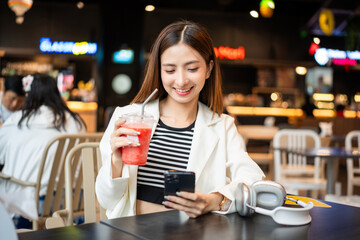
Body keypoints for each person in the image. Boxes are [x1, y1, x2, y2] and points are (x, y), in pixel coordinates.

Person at [95, 20, 264, 219]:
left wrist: (215, 200)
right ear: (159, 70)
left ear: (209, 69)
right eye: (170, 70)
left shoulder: (222, 126)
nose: (181, 80)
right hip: (130, 230)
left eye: (192, 69)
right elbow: (107, 201)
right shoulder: (127, 118)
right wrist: (116, 161)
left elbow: (253, 181)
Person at [0, 73, 86, 228]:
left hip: (32, 206)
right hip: (75, 201)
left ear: (29, 95)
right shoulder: (76, 121)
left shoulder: (17, 121)